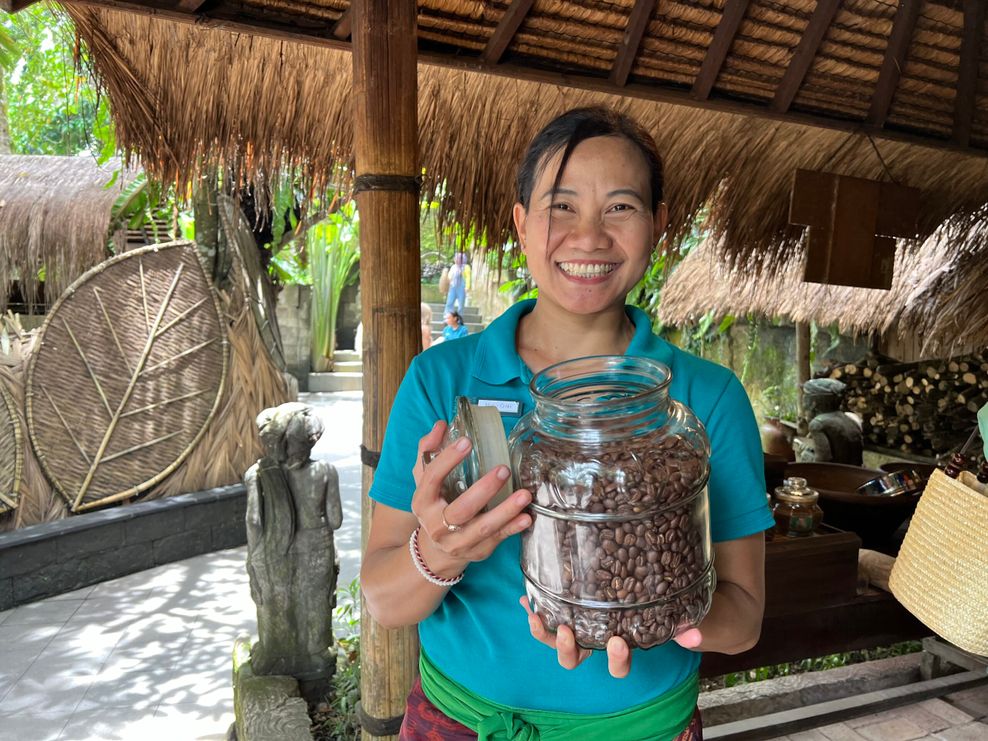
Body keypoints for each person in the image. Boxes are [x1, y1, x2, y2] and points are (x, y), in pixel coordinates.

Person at [362, 107, 774, 741]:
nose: (589, 237)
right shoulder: (441, 381)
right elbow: (385, 601)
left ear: (658, 227)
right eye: (561, 207)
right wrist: (437, 550)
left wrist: (659, 616)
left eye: (620, 208)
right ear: (523, 224)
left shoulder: (704, 399)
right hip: (462, 725)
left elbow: (743, 617)